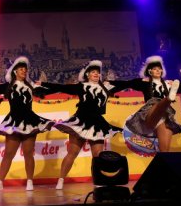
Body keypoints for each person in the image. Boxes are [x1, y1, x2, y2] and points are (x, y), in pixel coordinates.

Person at [40, 60, 128, 190]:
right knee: (72, 153)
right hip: (80, 122)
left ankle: (98, 182)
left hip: (97, 124)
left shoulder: (106, 87)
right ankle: (61, 180)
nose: (96, 74)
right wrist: (43, 84)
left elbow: (125, 84)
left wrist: (145, 81)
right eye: (93, 72)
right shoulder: (81, 86)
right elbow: (62, 88)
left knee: (98, 156)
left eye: (98, 72)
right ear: (87, 74)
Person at [0, 56, 55, 192]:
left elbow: (49, 90)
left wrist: (45, 85)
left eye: (25, 69)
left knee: (28, 153)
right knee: (8, 154)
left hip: (29, 121)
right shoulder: (9, 86)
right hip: (14, 122)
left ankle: (30, 181)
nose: (24, 71)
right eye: (21, 69)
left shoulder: (31, 86)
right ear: (15, 71)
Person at [123, 55, 181, 153]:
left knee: (165, 151)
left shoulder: (168, 84)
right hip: (150, 113)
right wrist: (109, 83)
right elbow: (126, 83)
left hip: (165, 117)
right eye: (155, 69)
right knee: (158, 103)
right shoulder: (145, 83)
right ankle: (168, 98)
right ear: (150, 71)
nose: (158, 70)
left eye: (159, 69)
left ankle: (163, 165)